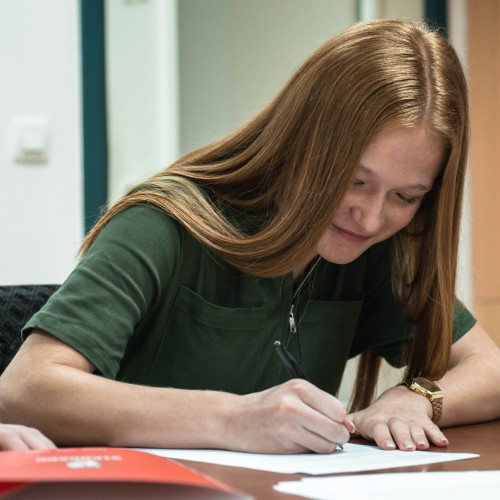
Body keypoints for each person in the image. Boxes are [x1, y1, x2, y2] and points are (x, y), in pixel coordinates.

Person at [0, 19, 499, 454]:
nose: (370, 219)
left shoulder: (369, 256)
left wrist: (418, 398)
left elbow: (489, 368)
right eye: (354, 181)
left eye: (406, 197)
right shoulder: (162, 223)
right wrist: (235, 419)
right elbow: (25, 389)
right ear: (301, 140)